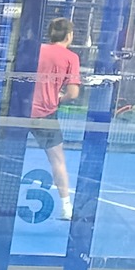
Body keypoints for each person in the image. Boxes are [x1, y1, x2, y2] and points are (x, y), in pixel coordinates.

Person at [31, 16, 82, 219]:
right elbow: (73, 93)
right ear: (69, 35)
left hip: (20, 110)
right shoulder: (71, 58)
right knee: (58, 160)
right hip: (45, 114)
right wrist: (59, 98)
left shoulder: (36, 50)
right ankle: (66, 207)